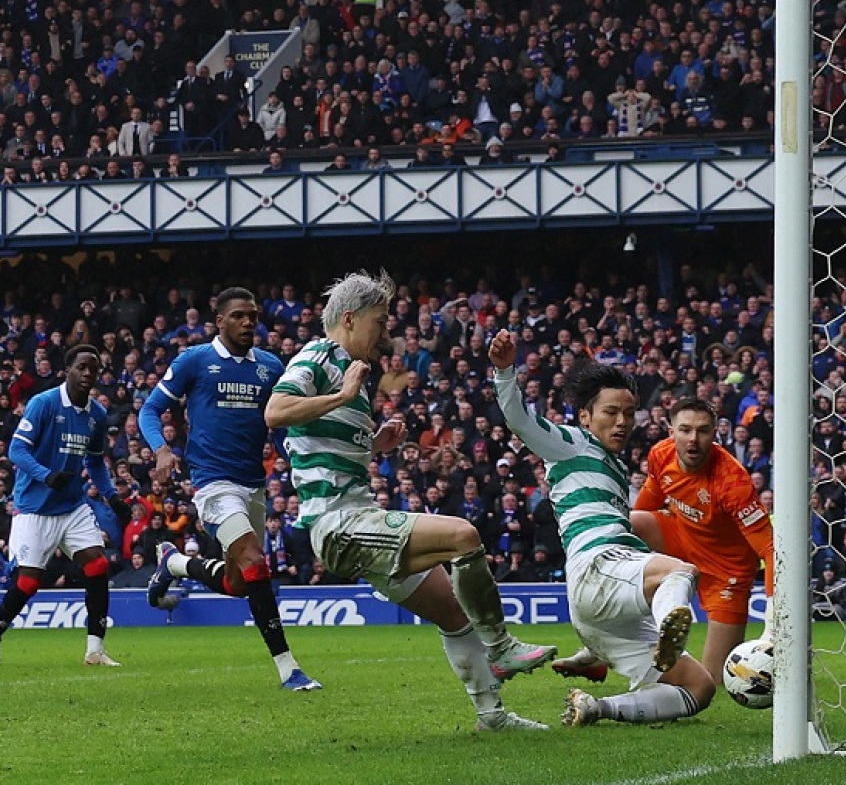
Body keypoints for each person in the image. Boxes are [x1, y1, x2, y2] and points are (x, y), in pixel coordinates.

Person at [263, 270, 554, 731]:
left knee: (453, 613)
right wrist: (341, 394)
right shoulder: (318, 358)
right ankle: (500, 646)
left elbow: (321, 448)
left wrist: (375, 445)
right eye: (379, 322)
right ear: (351, 318)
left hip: (359, 518)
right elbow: (276, 411)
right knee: (463, 535)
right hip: (337, 524)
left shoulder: (351, 371)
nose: (385, 333)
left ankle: (493, 719)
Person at [489, 329, 716, 726]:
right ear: (585, 417)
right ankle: (669, 625)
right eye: (610, 412)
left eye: (629, 413)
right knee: (680, 572)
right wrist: (505, 371)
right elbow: (520, 421)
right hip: (600, 566)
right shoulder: (573, 443)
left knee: (699, 689)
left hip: (600, 611)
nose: (622, 422)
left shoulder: (615, 468)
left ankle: (599, 707)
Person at [140, 287, 320, 691]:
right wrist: (162, 450)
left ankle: (175, 564)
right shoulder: (195, 360)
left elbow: (286, 421)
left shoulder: (271, 366)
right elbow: (151, 409)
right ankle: (289, 668)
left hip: (252, 483)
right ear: (219, 320)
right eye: (238, 316)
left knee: (239, 584)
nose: (247, 323)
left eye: (253, 316)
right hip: (212, 483)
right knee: (257, 561)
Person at [552, 396, 775, 685]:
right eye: (685, 430)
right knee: (629, 522)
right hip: (680, 541)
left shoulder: (733, 482)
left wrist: (772, 627)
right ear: (671, 431)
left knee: (713, 679)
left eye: (703, 431)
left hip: (727, 571)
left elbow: (771, 550)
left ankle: (611, 651)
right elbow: (643, 509)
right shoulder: (661, 455)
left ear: (716, 434)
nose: (693, 439)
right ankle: (601, 647)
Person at [0, 344, 133, 665]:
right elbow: (17, 451)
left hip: (72, 506)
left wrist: (112, 496)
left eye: (94, 369)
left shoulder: (97, 415)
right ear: (68, 370)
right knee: (29, 582)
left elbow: (96, 462)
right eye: (82, 367)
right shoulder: (44, 404)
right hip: (35, 506)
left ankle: (95, 650)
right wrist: (46, 476)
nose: (88, 374)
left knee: (98, 566)